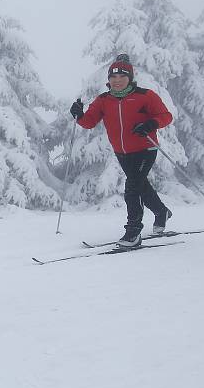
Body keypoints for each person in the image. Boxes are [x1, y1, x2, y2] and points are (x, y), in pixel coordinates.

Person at [70, 54, 173, 247]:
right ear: (109, 80)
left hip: (146, 148)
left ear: (130, 78)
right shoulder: (103, 100)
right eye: (113, 77)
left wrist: (151, 123)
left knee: (132, 187)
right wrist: (78, 114)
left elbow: (166, 116)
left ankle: (133, 232)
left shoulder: (145, 96)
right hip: (122, 152)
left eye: (122, 77)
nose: (117, 81)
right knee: (141, 186)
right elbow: (88, 123)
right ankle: (161, 212)